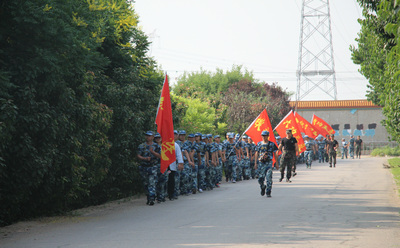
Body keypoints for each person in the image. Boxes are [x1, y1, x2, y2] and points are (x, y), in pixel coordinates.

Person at [137, 131, 160, 206]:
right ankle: (148, 196)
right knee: (145, 183)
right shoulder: (141, 146)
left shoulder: (156, 146)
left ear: (153, 137)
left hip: (152, 167)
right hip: (144, 167)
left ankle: (152, 198)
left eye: (149, 136)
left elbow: (160, 156)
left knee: (152, 182)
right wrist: (145, 158)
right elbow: (138, 155)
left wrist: (152, 152)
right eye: (147, 136)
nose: (148, 137)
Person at [255, 131, 279, 197]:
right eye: (263, 135)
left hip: (269, 163)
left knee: (269, 178)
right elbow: (256, 153)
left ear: (268, 136)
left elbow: (275, 154)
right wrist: (255, 163)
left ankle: (268, 191)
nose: (264, 137)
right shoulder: (259, 144)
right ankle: (262, 187)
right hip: (261, 163)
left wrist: (276, 163)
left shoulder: (272, 144)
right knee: (260, 178)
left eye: (265, 135)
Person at [167, 130, 184, 201]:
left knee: (171, 180)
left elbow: (179, 155)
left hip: (172, 165)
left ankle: (171, 194)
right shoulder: (164, 144)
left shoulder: (175, 145)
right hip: (164, 165)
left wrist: (180, 163)